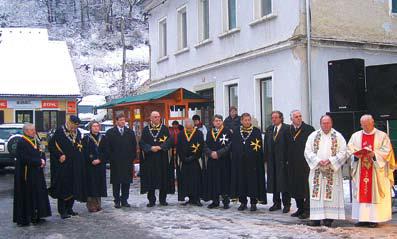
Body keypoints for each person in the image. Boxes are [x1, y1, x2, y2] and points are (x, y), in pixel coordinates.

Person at [347, 114, 395, 228]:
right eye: (363, 125)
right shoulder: (356, 136)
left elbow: (387, 152)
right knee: (362, 192)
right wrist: (356, 155)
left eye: (368, 124)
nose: (366, 127)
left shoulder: (382, 136)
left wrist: (374, 155)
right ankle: (362, 218)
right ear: (361, 124)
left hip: (376, 171)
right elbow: (349, 150)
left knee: (374, 193)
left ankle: (375, 219)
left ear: (373, 122)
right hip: (360, 170)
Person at [304, 115, 347, 227]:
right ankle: (316, 218)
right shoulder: (313, 136)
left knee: (330, 194)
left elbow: (343, 152)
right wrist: (318, 161)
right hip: (317, 170)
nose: (326, 125)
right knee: (316, 194)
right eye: (324, 123)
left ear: (331, 123)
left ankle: (329, 218)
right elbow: (307, 151)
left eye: (328, 123)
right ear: (320, 124)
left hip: (331, 170)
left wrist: (330, 160)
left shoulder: (338, 136)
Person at [48, 115, 86, 219]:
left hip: (74, 164)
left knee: (73, 186)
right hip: (63, 165)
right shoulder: (59, 132)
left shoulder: (77, 133)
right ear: (69, 123)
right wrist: (59, 155)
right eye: (73, 126)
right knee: (63, 187)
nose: (74, 129)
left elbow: (78, 145)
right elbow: (51, 146)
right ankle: (62, 211)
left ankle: (70, 208)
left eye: (76, 127)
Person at [13, 123, 51, 226]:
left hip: (37, 172)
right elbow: (25, 158)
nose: (34, 132)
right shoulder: (22, 142)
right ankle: (28, 216)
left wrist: (43, 160)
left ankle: (38, 214)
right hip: (27, 173)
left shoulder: (36, 140)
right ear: (26, 131)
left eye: (34, 129)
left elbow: (42, 151)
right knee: (28, 195)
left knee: (38, 193)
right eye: (31, 130)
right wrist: (39, 162)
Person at [231, 113, 267, 211]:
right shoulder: (236, 131)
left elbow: (259, 148)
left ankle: (253, 202)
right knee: (241, 182)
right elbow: (234, 146)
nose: (247, 122)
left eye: (248, 120)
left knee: (253, 182)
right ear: (241, 121)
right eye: (245, 120)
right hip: (240, 162)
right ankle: (243, 202)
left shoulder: (256, 131)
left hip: (253, 163)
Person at [140, 111, 175, 207]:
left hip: (162, 158)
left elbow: (170, 141)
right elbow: (142, 142)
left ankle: (162, 199)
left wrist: (160, 147)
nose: (157, 118)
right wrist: (150, 148)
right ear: (150, 118)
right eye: (155, 117)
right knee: (151, 179)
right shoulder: (146, 130)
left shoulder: (164, 129)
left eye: (158, 117)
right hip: (150, 158)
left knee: (162, 178)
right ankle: (151, 200)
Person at [286, 110, 315, 219]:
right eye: (296, 117)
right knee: (295, 186)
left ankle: (308, 210)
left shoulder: (309, 129)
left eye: (300, 116)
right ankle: (300, 208)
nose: (299, 118)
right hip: (293, 163)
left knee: (305, 187)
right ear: (291, 119)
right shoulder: (288, 130)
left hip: (305, 164)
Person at [105, 113, 137, 208]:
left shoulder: (130, 132)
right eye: (121, 120)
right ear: (117, 121)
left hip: (127, 162)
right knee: (116, 182)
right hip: (116, 162)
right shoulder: (110, 132)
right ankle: (117, 201)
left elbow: (133, 146)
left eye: (124, 120)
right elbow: (108, 148)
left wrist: (132, 158)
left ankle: (124, 200)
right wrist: (111, 159)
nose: (123, 122)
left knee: (126, 182)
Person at [203, 114, 232, 209]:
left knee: (224, 180)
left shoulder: (227, 131)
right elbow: (205, 145)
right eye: (216, 120)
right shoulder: (209, 132)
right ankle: (215, 200)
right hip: (212, 160)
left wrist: (218, 153)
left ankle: (225, 200)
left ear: (222, 121)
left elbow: (229, 145)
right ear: (213, 122)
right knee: (213, 180)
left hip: (223, 160)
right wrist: (210, 153)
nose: (218, 122)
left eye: (219, 120)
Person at [265, 111, 291, 213]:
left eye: (276, 117)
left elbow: (289, 146)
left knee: (284, 183)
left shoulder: (287, 129)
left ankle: (286, 204)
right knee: (274, 182)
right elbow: (266, 145)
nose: (274, 119)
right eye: (272, 118)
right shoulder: (269, 129)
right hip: (272, 160)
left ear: (281, 118)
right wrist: (266, 158)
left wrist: (288, 159)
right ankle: (276, 203)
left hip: (283, 160)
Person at [177, 118, 205, 206]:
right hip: (184, 161)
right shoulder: (181, 134)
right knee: (186, 180)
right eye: (187, 128)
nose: (188, 130)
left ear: (193, 126)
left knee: (196, 180)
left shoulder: (199, 134)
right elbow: (179, 148)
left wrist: (193, 157)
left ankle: (197, 198)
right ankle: (189, 198)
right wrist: (183, 158)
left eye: (190, 128)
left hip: (195, 161)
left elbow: (201, 147)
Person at [82, 121, 107, 212]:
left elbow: (106, 151)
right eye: (94, 126)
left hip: (100, 165)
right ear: (90, 128)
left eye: (97, 126)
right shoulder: (86, 139)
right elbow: (84, 152)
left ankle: (98, 204)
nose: (96, 128)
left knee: (99, 184)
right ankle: (91, 204)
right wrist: (91, 160)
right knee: (91, 184)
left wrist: (100, 159)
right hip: (90, 165)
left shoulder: (103, 138)